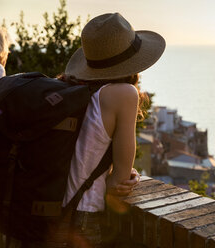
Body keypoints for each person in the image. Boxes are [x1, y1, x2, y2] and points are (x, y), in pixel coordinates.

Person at [60, 12, 165, 248]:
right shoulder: (122, 94)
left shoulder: (70, 88)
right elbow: (117, 183)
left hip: (44, 209)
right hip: (81, 217)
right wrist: (126, 174)